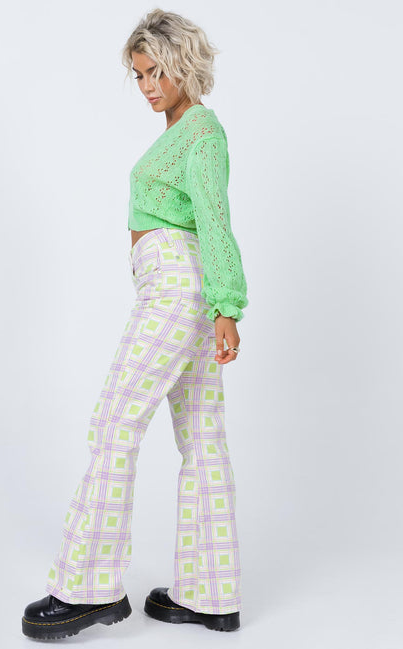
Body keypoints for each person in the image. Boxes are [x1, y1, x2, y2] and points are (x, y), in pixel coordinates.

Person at [21, 8, 249, 640]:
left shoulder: (202, 133)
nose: (148, 86)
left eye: (156, 72)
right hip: (180, 287)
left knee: (114, 422)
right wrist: (217, 303)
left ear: (184, 66)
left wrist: (227, 305)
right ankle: (210, 594)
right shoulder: (179, 130)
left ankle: (88, 589)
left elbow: (215, 218)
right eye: (140, 74)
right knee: (202, 436)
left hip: (179, 287)